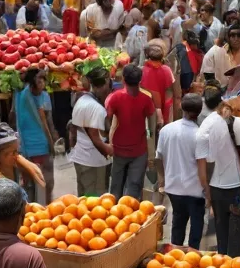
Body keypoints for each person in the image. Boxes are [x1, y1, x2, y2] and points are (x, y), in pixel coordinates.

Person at [195, 85, 240, 257]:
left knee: (221, 232)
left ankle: (222, 262)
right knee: (237, 234)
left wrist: (207, 191)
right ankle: (237, 262)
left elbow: (204, 166)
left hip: (217, 190)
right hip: (237, 188)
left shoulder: (205, 127)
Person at [157, 92, 205, 248]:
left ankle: (175, 254)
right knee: (196, 225)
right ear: (199, 111)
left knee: (178, 222)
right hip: (195, 189)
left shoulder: (166, 130)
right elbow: (203, 165)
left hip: (173, 187)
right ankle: (193, 255)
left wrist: (163, 179)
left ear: (181, 107)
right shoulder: (200, 135)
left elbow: (159, 158)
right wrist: (207, 189)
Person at [105, 63, 157, 200]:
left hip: (118, 149)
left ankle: (114, 211)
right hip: (139, 151)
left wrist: (109, 139)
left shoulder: (115, 97)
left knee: (115, 189)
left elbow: (107, 119)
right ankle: (132, 211)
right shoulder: (146, 99)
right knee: (134, 189)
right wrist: (151, 145)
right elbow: (152, 127)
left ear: (123, 79)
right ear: (140, 80)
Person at [13, 68, 56, 204]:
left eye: (44, 79)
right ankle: (30, 208)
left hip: (42, 145)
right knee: (29, 183)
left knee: (47, 181)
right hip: (28, 146)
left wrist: (52, 141)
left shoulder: (45, 96)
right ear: (31, 82)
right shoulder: (22, 95)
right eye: (39, 79)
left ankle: (47, 207)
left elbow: (48, 121)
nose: (42, 82)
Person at [69, 68, 113, 197]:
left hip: (81, 158)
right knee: (96, 201)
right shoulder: (96, 108)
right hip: (93, 162)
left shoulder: (81, 100)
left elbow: (72, 131)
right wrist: (111, 151)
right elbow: (96, 139)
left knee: (83, 200)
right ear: (105, 83)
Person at [200, 24, 240, 88]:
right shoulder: (214, 53)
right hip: (220, 90)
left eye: (239, 35)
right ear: (228, 38)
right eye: (233, 35)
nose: (236, 38)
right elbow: (207, 79)